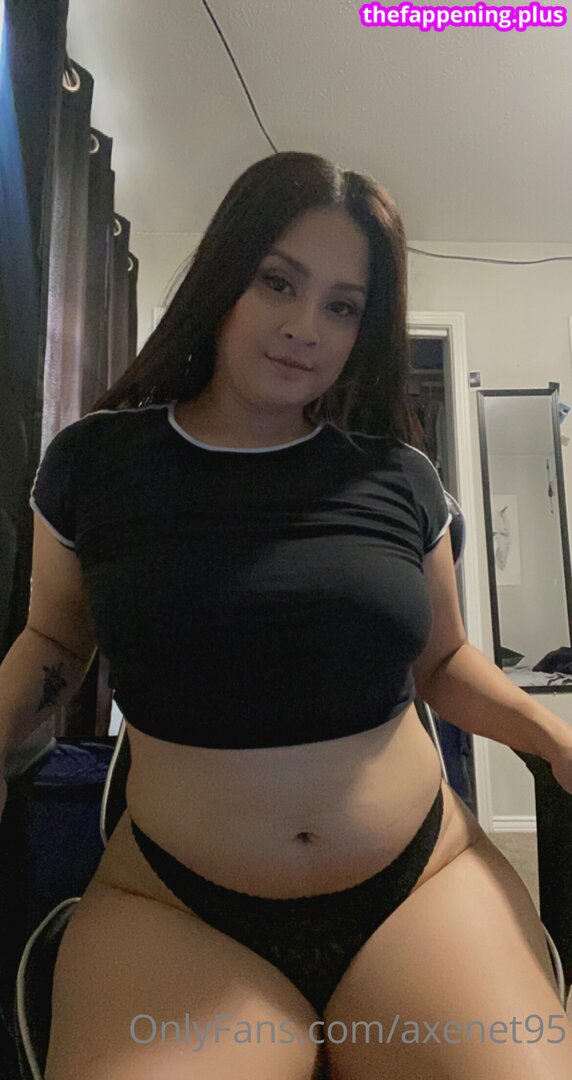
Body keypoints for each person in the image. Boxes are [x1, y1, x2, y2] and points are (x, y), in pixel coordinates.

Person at [2, 150, 572, 1079]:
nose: (306, 327)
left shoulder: (398, 477)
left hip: (419, 884)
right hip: (179, 907)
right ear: (225, 278)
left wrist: (554, 737)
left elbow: (442, 663)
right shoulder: (95, 464)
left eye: (343, 307)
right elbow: (55, 641)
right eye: (279, 282)